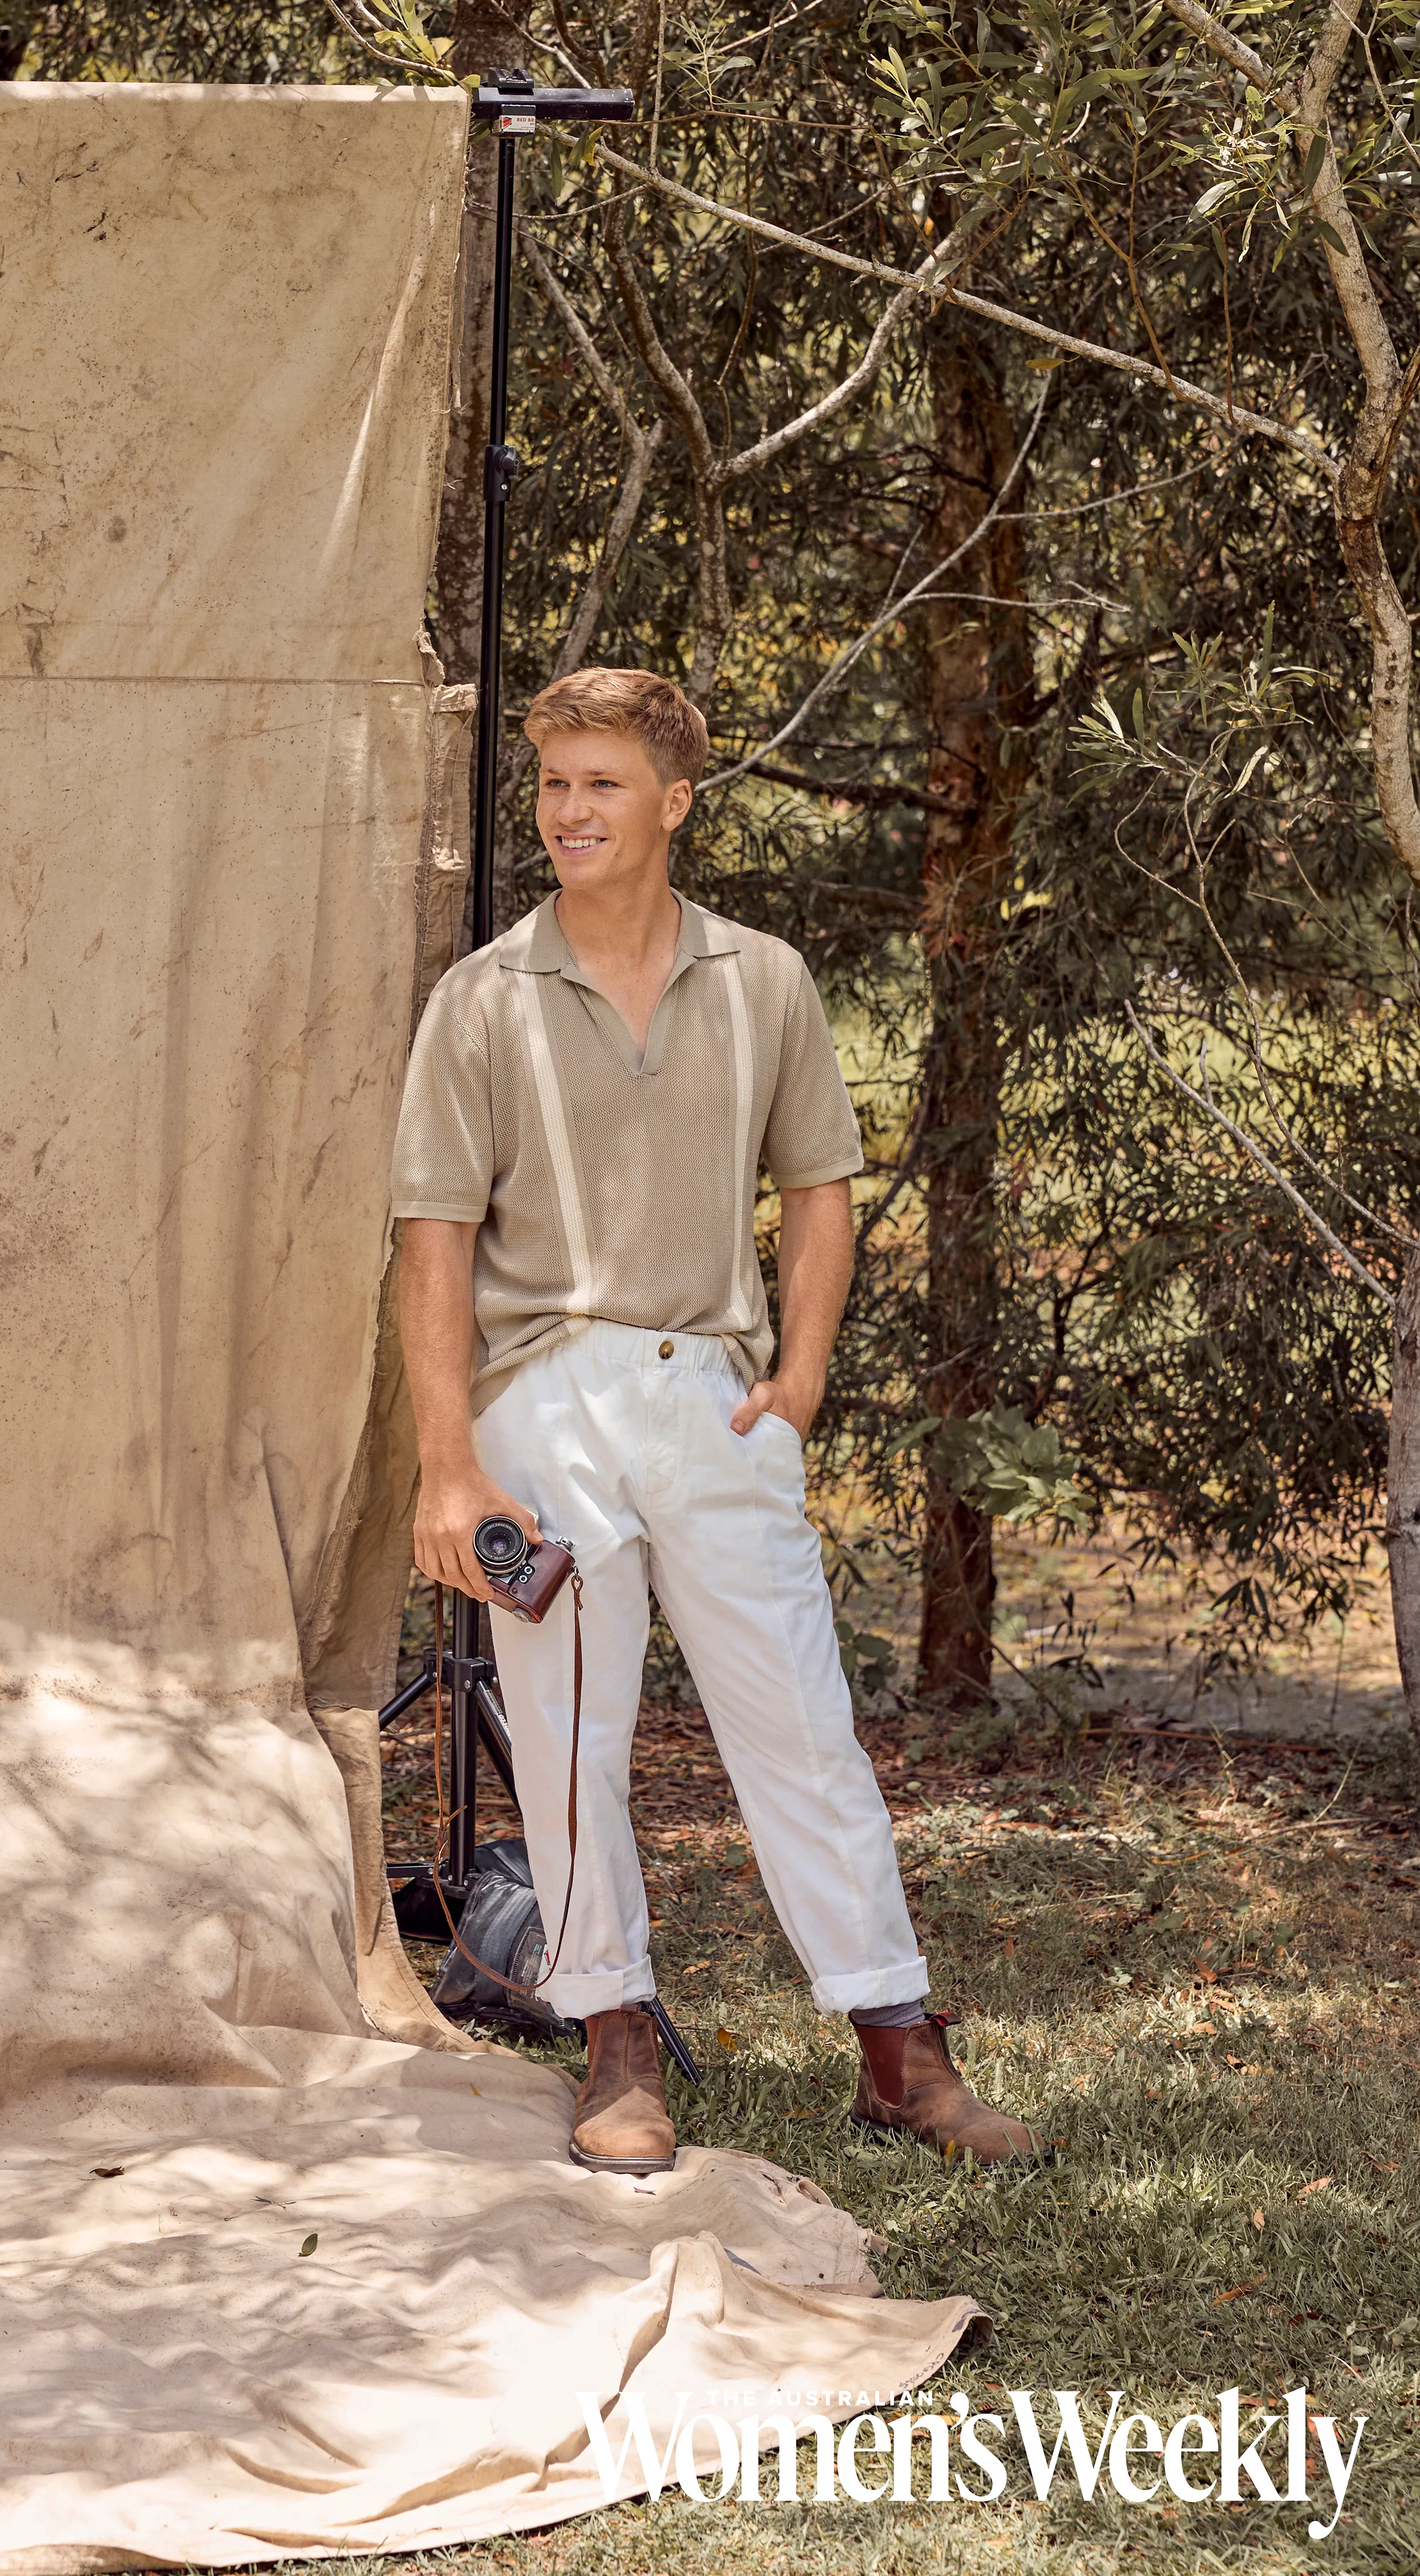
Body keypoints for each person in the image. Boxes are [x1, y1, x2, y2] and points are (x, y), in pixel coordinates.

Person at [390, 665, 1046, 2176]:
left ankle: (898, 2046)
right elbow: (431, 1237)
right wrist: (448, 1465)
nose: (569, 812)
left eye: (601, 784)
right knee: (566, 1734)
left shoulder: (765, 980)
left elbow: (820, 1182)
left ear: (675, 800)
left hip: (713, 1390)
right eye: (554, 784)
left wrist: (800, 1373)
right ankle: (614, 2036)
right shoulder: (481, 998)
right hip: (541, 1391)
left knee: (800, 1724)